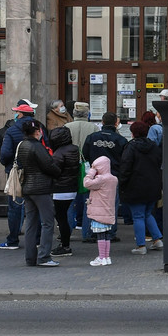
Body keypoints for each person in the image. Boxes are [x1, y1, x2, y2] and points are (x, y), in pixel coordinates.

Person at [17, 119, 62, 267]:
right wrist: (58, 171)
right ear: (37, 132)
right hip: (41, 189)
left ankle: (30, 258)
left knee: (30, 223)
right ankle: (44, 257)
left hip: (27, 188)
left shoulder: (22, 145)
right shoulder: (37, 147)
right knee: (48, 223)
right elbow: (48, 165)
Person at [0, 98, 39, 250]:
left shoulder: (12, 130)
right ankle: (38, 239)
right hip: (37, 172)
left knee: (15, 206)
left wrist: (9, 165)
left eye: (16, 113)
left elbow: (4, 154)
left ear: (20, 114)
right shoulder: (40, 128)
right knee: (37, 205)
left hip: (17, 173)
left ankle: (13, 240)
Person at [119, 121, 164, 255]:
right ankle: (157, 239)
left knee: (138, 216)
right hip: (153, 185)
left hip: (135, 186)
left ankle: (141, 246)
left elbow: (125, 167)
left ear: (132, 133)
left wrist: (122, 183)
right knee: (147, 214)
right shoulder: (154, 147)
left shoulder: (130, 147)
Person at [82, 112, 128, 241]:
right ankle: (110, 233)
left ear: (102, 122)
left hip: (94, 176)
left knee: (90, 203)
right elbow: (124, 159)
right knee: (111, 204)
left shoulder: (92, 137)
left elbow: (84, 156)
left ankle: (89, 233)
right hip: (113, 176)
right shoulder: (120, 140)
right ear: (116, 123)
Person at [64, 103, 99, 243]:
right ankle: (88, 232)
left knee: (68, 201)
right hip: (88, 167)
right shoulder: (94, 128)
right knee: (88, 201)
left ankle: (66, 231)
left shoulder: (67, 127)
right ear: (87, 114)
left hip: (69, 166)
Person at [48, 126, 81, 258]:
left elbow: (55, 171)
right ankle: (65, 244)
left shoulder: (59, 153)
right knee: (63, 217)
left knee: (61, 218)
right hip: (71, 187)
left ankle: (65, 245)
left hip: (60, 189)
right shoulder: (74, 149)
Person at [83, 155, 119, 266]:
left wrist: (90, 172)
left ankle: (102, 257)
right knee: (107, 235)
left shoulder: (100, 179)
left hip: (99, 212)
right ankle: (107, 257)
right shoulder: (114, 179)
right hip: (108, 211)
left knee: (100, 235)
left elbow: (86, 183)